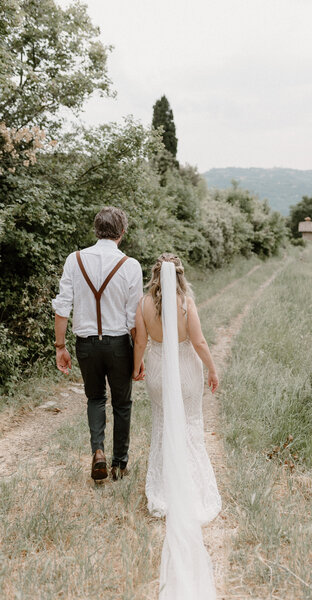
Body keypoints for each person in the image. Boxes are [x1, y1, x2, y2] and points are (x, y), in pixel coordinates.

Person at [133, 253, 221, 599]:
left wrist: (137, 366)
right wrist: (212, 369)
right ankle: (192, 487)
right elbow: (198, 342)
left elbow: (140, 341)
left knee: (162, 425)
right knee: (190, 428)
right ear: (180, 276)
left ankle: (163, 489)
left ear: (154, 276)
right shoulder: (186, 303)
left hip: (157, 370)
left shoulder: (143, 304)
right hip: (185, 371)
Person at [52, 206, 144, 482]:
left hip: (86, 344)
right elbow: (134, 319)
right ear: (122, 233)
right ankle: (120, 464)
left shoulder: (74, 259)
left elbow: (62, 307)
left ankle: (98, 452)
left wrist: (60, 346)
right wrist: (138, 359)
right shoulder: (130, 265)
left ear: (96, 230)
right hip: (118, 345)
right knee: (122, 404)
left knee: (94, 398)